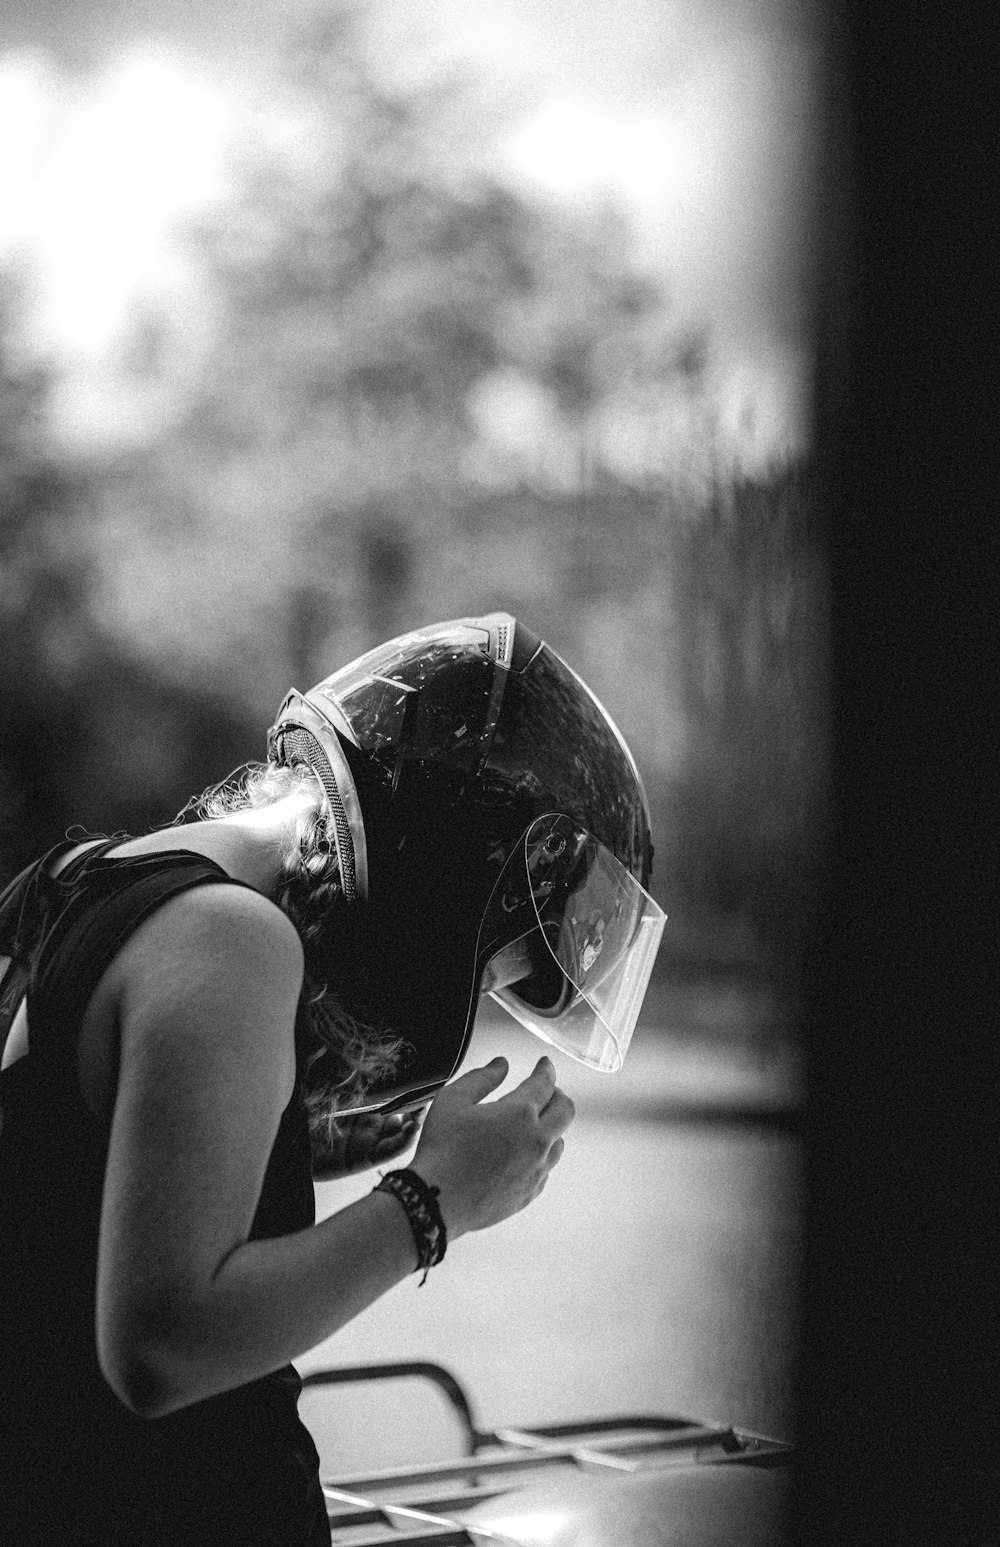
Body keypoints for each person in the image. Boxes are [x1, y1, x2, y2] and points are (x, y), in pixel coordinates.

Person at [0, 611, 666, 1545]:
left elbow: (71, 1218)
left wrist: (319, 1143)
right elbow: (158, 1343)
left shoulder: (86, 881)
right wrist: (434, 1202)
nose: (464, 988)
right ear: (446, 887)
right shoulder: (233, 940)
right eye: (483, 964)